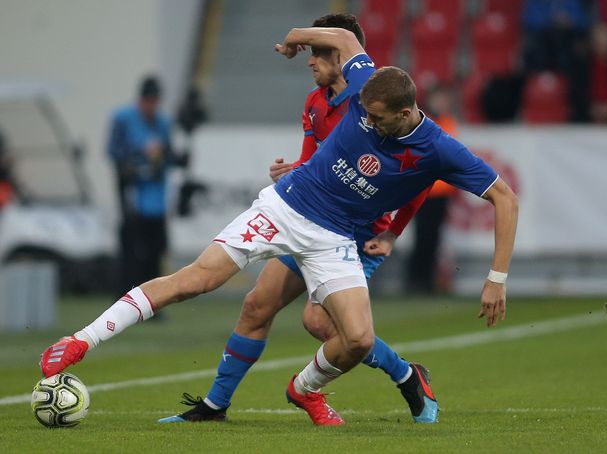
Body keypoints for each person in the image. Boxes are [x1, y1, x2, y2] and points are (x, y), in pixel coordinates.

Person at [40, 26, 518, 427]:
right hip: (284, 210)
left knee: (357, 340)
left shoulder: (439, 147)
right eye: (364, 113)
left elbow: (504, 197)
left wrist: (496, 278)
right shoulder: (363, 81)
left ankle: (303, 388)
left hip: (336, 239)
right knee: (200, 281)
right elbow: (344, 37)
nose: (367, 123)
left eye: (376, 118)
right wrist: (293, 39)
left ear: (404, 111)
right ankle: (81, 342)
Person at [157, 14, 436, 426]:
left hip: (357, 235)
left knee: (320, 322)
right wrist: (294, 171)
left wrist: (394, 232)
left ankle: (405, 376)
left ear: (343, 56)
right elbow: (313, 165)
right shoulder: (314, 103)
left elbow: (422, 177)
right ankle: (214, 407)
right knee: (256, 305)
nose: (310, 60)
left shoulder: (377, 104)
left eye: (319, 52)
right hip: (310, 221)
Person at [107, 75, 176, 297]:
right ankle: (125, 296)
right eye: (148, 101)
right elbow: (114, 153)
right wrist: (138, 158)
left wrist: (161, 156)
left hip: (155, 197)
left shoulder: (163, 122)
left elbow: (168, 154)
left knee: (155, 250)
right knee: (132, 250)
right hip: (132, 194)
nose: (151, 106)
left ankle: (153, 299)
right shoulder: (122, 118)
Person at [406, 85, 459, 294]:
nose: (443, 103)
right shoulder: (423, 121)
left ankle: (426, 279)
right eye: (440, 98)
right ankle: (415, 279)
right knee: (423, 236)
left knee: (433, 237)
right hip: (424, 190)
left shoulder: (447, 121)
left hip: (442, 192)